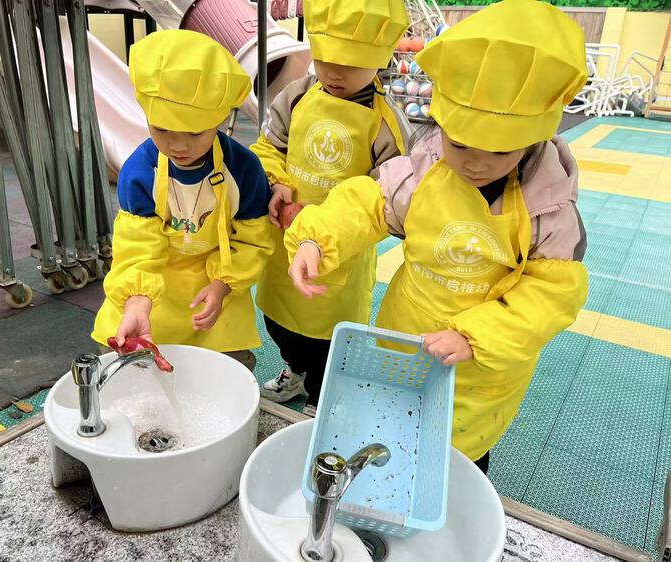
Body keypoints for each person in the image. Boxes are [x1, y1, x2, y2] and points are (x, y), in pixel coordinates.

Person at [285, 0, 589, 472]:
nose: (475, 164)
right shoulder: (425, 170)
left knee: (456, 460)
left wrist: (476, 336)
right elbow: (367, 202)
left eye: (499, 151)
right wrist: (315, 238)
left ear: (534, 139)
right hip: (406, 336)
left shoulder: (549, 209)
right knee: (390, 434)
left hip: (477, 369)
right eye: (460, 143)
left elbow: (550, 295)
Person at [251, 0, 411, 414]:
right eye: (325, 60)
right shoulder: (296, 97)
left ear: (379, 58)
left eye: (351, 64)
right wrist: (277, 182)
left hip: (339, 259)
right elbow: (268, 148)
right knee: (279, 321)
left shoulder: (387, 125)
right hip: (285, 240)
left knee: (328, 339)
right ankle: (295, 370)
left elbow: (385, 196)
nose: (335, 74)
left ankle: (322, 396)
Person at [92, 30, 274, 371]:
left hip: (216, 279)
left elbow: (252, 240)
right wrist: (137, 301)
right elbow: (137, 248)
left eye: (194, 133)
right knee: (126, 348)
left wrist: (222, 286)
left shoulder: (244, 169)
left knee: (229, 366)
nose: (178, 146)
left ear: (219, 120)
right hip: (157, 280)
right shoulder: (139, 172)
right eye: (162, 130)